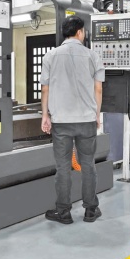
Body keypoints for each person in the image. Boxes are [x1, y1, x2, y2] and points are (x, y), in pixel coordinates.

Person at [40, 16, 105, 224]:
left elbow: (45, 88)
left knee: (63, 167)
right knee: (88, 164)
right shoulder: (92, 56)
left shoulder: (50, 56)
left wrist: (45, 115)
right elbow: (98, 89)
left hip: (61, 121)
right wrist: (96, 114)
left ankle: (63, 212)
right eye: (83, 31)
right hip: (86, 120)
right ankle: (91, 210)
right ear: (79, 32)